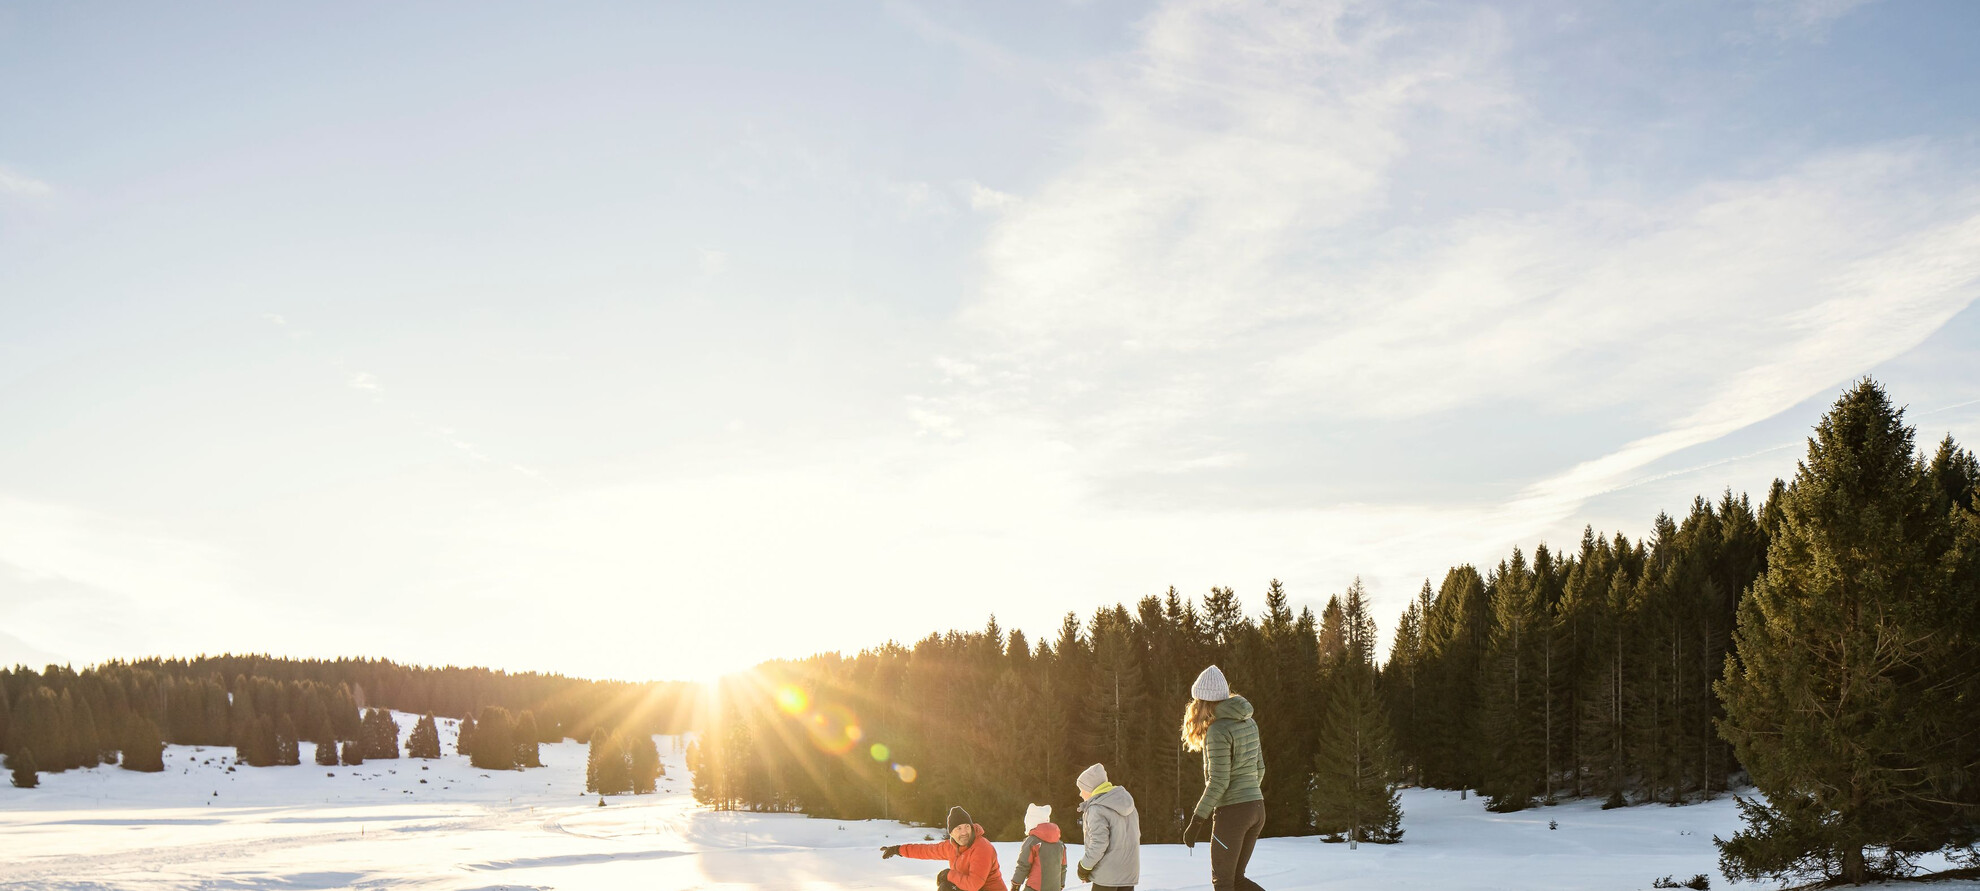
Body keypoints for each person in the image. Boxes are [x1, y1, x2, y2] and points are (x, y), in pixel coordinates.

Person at [1181, 665, 1265, 891]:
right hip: (1257, 809)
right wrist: (1247, 797)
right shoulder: (1249, 722)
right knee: (1237, 880)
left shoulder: (1218, 730)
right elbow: (1260, 768)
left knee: (1224, 883)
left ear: (1203, 702)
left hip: (1233, 814)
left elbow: (1219, 781)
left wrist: (1197, 820)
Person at [882, 805, 1008, 891]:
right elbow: (926, 851)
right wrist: (898, 849)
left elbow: (974, 884)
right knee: (946, 886)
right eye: (959, 828)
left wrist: (949, 874)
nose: (964, 832)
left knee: (947, 885)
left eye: (967, 827)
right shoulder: (951, 846)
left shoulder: (981, 848)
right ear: (951, 833)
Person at [1074, 763, 1141, 891]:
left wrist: (1084, 867)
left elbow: (1099, 844)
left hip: (1107, 877)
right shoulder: (1128, 803)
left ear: (1090, 788)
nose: (1080, 794)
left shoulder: (1096, 808)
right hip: (1128, 873)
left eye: (1082, 789)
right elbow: (1135, 835)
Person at [1012, 802, 1066, 891]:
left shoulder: (1032, 841)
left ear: (1031, 822)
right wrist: (1061, 884)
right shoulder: (1060, 844)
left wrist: (1015, 884)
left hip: (1034, 888)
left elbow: (1023, 865)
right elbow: (1063, 867)